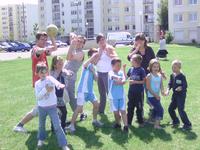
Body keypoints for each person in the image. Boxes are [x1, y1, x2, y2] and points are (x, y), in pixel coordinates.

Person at [13, 32, 57, 133]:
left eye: (45, 40)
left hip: (45, 81)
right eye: (42, 39)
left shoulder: (43, 50)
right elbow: (39, 50)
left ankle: (55, 125)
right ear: (37, 40)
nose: (44, 42)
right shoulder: (35, 49)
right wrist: (46, 48)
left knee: (50, 102)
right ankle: (19, 125)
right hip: (39, 84)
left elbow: (55, 48)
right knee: (38, 108)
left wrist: (52, 37)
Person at [66, 48, 103, 133]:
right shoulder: (87, 64)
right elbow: (85, 65)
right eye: (95, 57)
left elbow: (96, 79)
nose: (97, 58)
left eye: (97, 57)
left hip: (90, 91)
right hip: (82, 90)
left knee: (96, 105)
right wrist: (92, 57)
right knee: (79, 109)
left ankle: (94, 120)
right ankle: (71, 125)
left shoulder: (93, 67)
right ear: (90, 57)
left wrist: (94, 72)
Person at [34, 63, 69, 150]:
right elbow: (38, 97)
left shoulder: (50, 79)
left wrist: (59, 85)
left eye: (45, 72)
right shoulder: (37, 84)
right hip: (42, 108)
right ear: (37, 73)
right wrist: (46, 89)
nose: (43, 74)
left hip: (52, 107)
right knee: (41, 125)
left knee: (57, 125)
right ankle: (41, 139)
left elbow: (56, 82)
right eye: (41, 72)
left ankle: (63, 144)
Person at [64, 35, 87, 121]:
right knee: (63, 96)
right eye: (78, 40)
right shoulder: (74, 50)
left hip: (70, 78)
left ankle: (81, 113)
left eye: (81, 42)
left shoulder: (81, 53)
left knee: (71, 97)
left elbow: (68, 57)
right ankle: (63, 115)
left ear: (83, 44)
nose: (79, 42)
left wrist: (71, 44)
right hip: (64, 76)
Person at [166, 60, 192, 130]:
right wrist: (168, 90)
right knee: (170, 109)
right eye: (172, 67)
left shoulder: (182, 76)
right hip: (175, 95)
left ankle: (187, 124)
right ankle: (176, 121)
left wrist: (181, 87)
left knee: (180, 110)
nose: (173, 69)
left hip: (181, 96)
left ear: (179, 68)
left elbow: (185, 85)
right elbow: (170, 84)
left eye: (175, 67)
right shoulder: (172, 75)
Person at [96, 33, 118, 114]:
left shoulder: (109, 48)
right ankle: (101, 110)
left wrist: (109, 55)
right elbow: (95, 62)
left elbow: (116, 57)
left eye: (103, 39)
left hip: (107, 73)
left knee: (110, 93)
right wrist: (100, 53)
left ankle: (116, 110)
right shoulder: (98, 50)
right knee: (102, 93)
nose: (102, 41)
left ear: (105, 40)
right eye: (100, 40)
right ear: (97, 42)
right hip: (99, 73)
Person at [50, 56, 73, 132]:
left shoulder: (64, 71)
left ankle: (61, 127)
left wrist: (69, 74)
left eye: (62, 63)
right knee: (58, 112)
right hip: (54, 96)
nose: (61, 64)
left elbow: (70, 75)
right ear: (54, 65)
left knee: (63, 112)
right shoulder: (52, 72)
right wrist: (60, 71)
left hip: (61, 95)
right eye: (59, 63)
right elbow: (53, 80)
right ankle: (55, 128)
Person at [108, 58, 128, 132]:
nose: (119, 67)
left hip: (121, 96)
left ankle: (126, 126)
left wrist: (120, 80)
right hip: (113, 97)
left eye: (120, 65)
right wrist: (118, 79)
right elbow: (113, 77)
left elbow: (124, 81)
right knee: (116, 113)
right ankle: (118, 123)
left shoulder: (121, 72)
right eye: (117, 65)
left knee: (123, 111)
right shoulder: (110, 72)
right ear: (112, 65)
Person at [127, 54, 146, 127]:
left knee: (139, 107)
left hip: (139, 92)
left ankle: (140, 122)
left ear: (135, 61)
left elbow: (144, 81)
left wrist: (135, 82)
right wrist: (123, 68)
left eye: (131, 59)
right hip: (131, 92)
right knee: (130, 107)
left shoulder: (141, 70)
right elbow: (126, 77)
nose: (130, 60)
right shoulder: (131, 69)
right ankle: (128, 122)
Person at [146, 59, 165, 129]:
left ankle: (151, 120)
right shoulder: (149, 76)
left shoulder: (160, 75)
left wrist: (163, 92)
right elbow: (148, 88)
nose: (156, 68)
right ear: (151, 67)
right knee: (160, 110)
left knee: (155, 109)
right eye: (154, 67)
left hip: (157, 96)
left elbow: (161, 85)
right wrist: (155, 95)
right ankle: (156, 125)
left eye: (157, 67)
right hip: (151, 96)